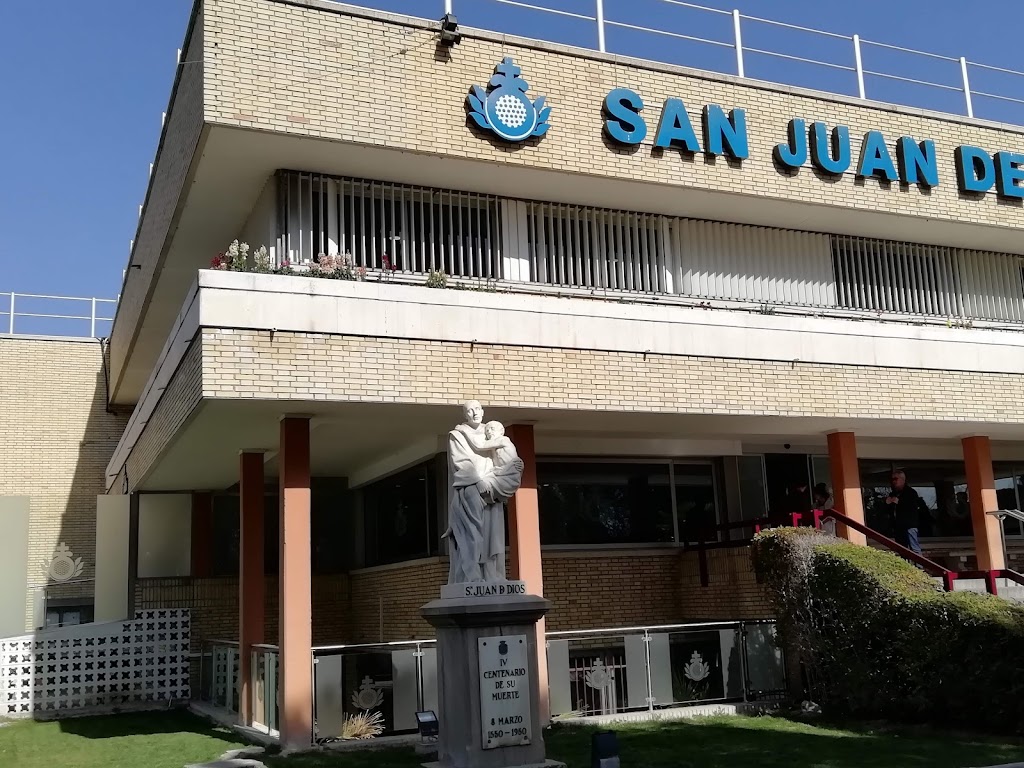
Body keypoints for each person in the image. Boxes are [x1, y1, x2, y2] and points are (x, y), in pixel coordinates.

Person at [886, 470, 923, 555]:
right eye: (892, 479)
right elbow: (889, 509)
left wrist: (899, 502)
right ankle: (906, 567)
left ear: (903, 479)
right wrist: (887, 503)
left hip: (909, 526)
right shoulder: (893, 493)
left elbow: (913, 507)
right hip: (898, 527)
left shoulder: (911, 492)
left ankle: (919, 567)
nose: (894, 481)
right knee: (901, 549)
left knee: (914, 549)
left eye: (896, 479)